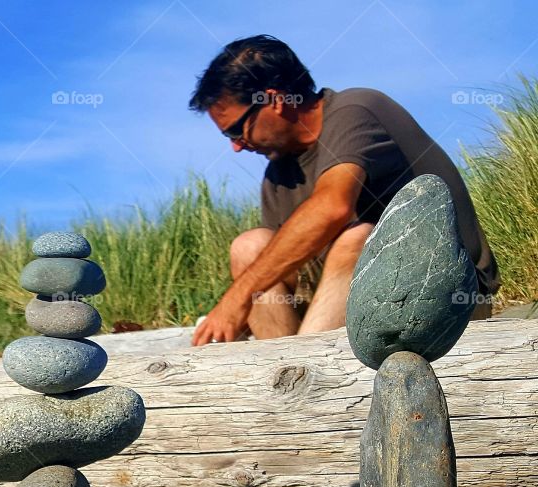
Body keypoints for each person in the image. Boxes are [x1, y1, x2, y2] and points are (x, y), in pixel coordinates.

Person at [187, 35, 499, 345]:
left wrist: (238, 296)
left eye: (235, 130)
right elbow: (280, 264)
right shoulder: (279, 175)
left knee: (357, 238)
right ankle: (283, 365)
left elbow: (332, 207)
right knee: (250, 247)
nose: (236, 146)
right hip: (347, 306)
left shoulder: (356, 111)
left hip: (447, 292)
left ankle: (307, 365)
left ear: (275, 101)